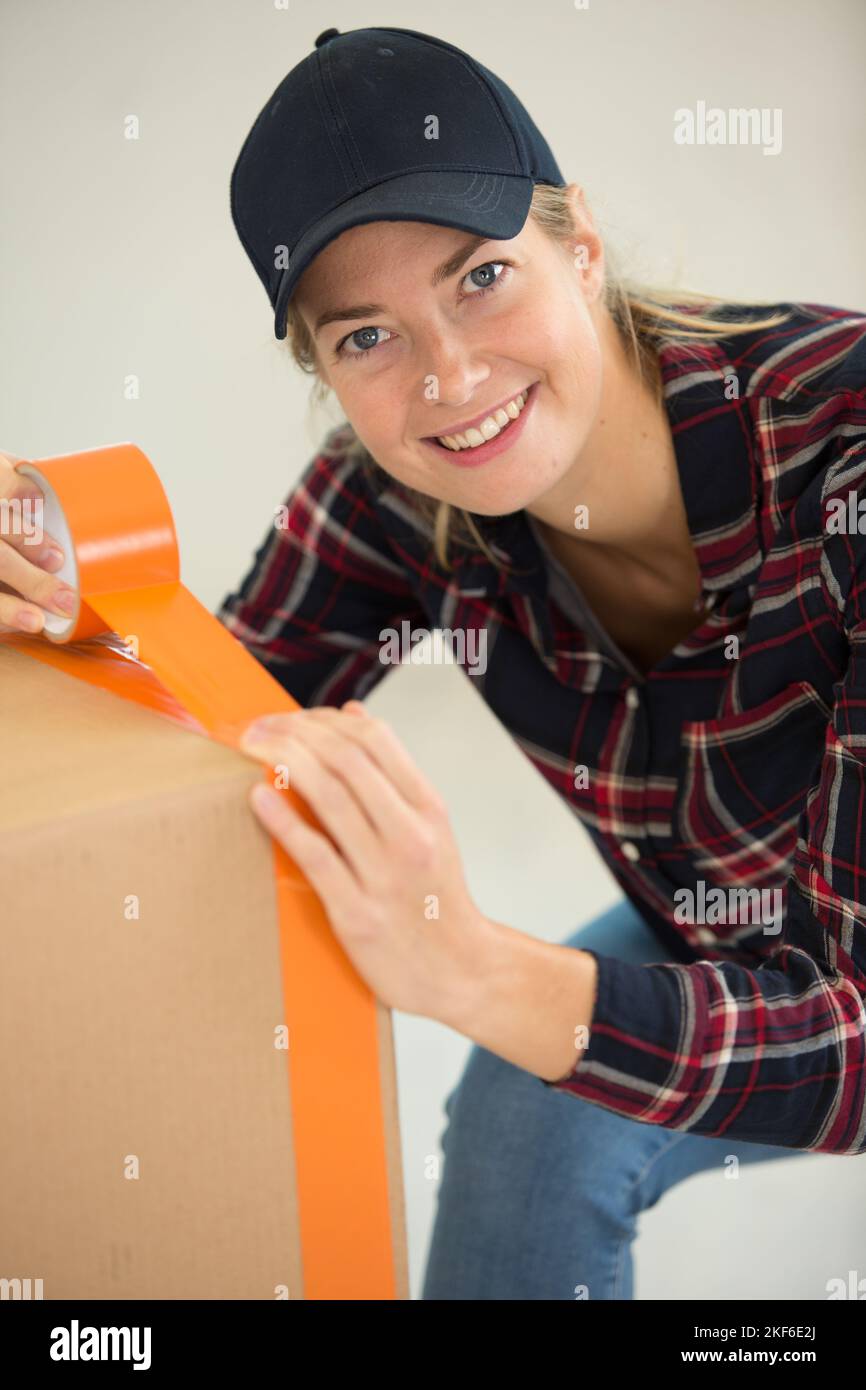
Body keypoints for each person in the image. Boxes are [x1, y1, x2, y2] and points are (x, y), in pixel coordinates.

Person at [3, 25, 865, 1300]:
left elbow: (851, 1046)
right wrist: (92, 610)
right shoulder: (393, 498)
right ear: (322, 371)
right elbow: (215, 736)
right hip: (721, 916)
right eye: (366, 337)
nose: (451, 378)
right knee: (532, 1105)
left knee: (524, 1037)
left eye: (480, 278)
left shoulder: (841, 450)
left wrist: (466, 964)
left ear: (580, 246)